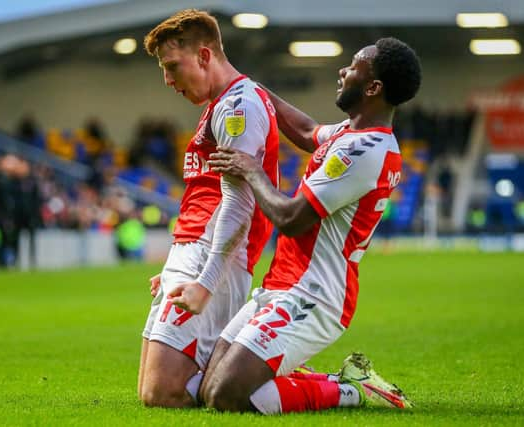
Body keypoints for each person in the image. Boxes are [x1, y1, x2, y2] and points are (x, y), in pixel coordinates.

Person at [169, 37, 422, 414]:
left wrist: (252, 171)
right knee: (209, 387)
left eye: (353, 66)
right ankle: (327, 377)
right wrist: (245, 84)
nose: (343, 70)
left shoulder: (366, 149)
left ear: (373, 88)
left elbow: (290, 219)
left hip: (315, 295)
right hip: (282, 285)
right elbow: (305, 131)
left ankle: (349, 391)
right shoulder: (349, 135)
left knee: (227, 396)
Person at [138, 9, 283, 408]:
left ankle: (318, 385)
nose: (168, 81)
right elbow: (208, 191)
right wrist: (175, 262)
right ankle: (245, 371)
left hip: (214, 255)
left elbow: (238, 201)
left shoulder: (239, 106)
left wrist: (205, 280)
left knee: (163, 393)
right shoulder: (221, 104)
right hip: (193, 248)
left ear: (204, 56)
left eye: (172, 67)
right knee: (152, 390)